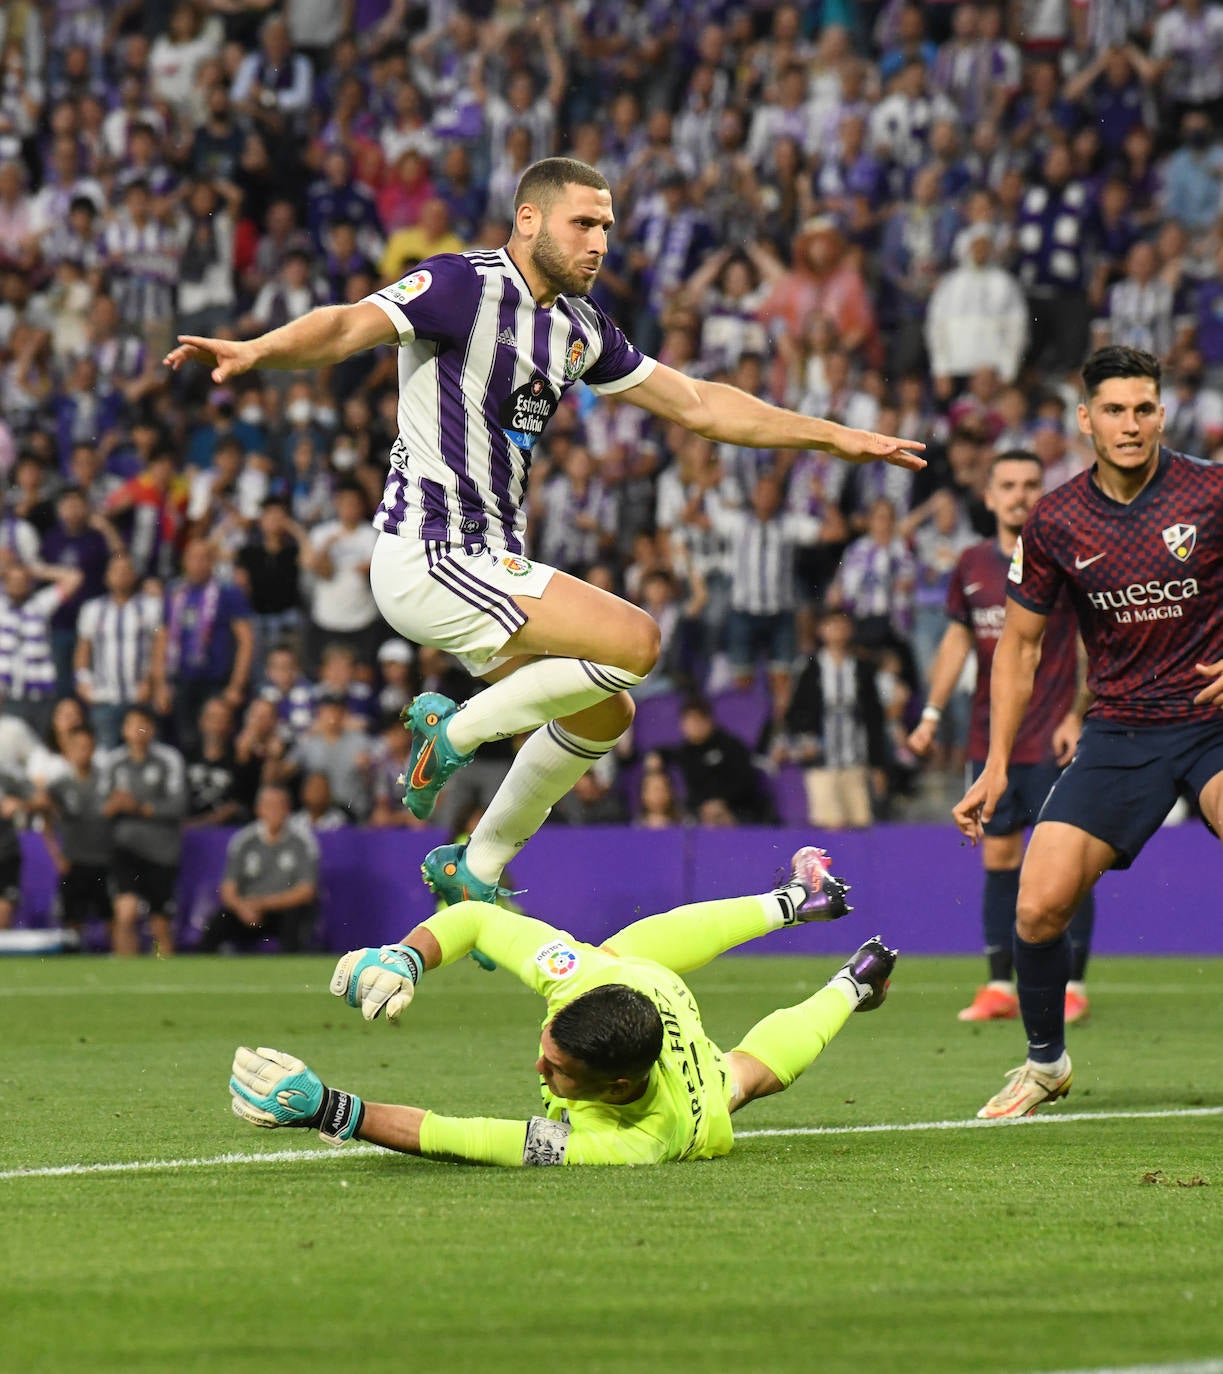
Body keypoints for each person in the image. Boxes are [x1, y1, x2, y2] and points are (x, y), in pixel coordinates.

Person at [165, 156, 924, 908]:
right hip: (430, 551)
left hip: (484, 559)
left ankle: (479, 864)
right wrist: (258, 348)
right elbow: (347, 326)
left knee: (607, 709)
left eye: (607, 227)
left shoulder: (578, 327)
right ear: (529, 219)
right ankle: (454, 734)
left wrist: (829, 436)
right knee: (636, 643)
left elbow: (698, 403)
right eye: (583, 223)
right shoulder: (464, 283)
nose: (599, 242)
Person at [228, 846, 900, 1166]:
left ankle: (849, 977)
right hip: (641, 986)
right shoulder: (580, 981)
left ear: (614, 1085)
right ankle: (805, 919)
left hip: (684, 1086)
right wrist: (405, 957)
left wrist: (333, 1110)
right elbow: (474, 918)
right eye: (547, 1052)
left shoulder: (628, 1143)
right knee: (622, 962)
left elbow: (462, 1137)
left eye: (556, 1070)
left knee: (736, 1084)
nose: (537, 1070)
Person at [953, 347, 1223, 1119]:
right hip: (1121, 732)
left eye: (1143, 409)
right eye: (1114, 410)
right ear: (1085, 419)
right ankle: (1044, 1065)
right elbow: (1019, 647)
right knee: (1035, 907)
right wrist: (997, 763)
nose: (1130, 425)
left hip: (1210, 722)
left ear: (1161, 414)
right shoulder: (1055, 520)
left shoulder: (1207, 491)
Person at [909, 451, 1096, 1024]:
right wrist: (933, 713)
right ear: (988, 496)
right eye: (1008, 485)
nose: (1019, 495)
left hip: (1055, 737)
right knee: (998, 857)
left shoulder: (1069, 559)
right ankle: (998, 987)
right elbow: (958, 643)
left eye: (1031, 484)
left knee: (1067, 862)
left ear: (1045, 492)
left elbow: (1093, 641)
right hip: (993, 744)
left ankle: (1073, 988)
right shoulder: (971, 564)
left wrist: (1078, 714)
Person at [100, 705, 188, 957]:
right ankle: (125, 979)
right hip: (126, 850)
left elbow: (178, 805)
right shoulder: (114, 762)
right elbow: (100, 806)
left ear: (152, 729)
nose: (138, 732)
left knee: (160, 925)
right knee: (125, 913)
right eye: (132, 726)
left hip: (162, 852)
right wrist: (112, 806)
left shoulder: (169, 759)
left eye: (143, 726)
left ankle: (164, 981)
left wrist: (137, 807)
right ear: (123, 730)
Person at [197, 784, 318, 953]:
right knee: (219, 922)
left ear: (288, 809)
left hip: (282, 909)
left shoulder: (303, 841)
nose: (275, 811)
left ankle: (290, 972)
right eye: (270, 806)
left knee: (295, 918)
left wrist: (263, 903)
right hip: (248, 911)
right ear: (258, 809)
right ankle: (202, 971)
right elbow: (228, 889)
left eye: (280, 805)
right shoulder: (244, 841)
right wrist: (242, 907)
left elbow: (306, 891)